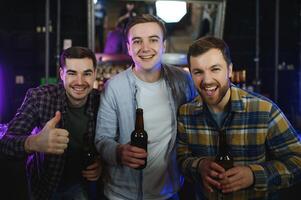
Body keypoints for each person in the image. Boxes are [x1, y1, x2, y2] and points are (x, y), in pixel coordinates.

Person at [177, 36, 301, 199]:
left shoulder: (264, 110)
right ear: (191, 74)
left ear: (229, 70)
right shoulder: (186, 113)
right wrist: (199, 166)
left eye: (215, 69)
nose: (207, 80)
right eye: (198, 72)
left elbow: (297, 161)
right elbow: (180, 159)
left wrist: (254, 175)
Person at [95, 14, 197, 200]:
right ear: (128, 48)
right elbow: (102, 139)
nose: (145, 48)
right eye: (137, 41)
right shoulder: (114, 87)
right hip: (122, 194)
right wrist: (118, 152)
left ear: (163, 45)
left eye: (153, 40)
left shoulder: (183, 81)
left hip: (170, 192)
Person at [0, 46, 103, 200]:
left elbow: (113, 142)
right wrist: (33, 142)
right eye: (72, 73)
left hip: (84, 186)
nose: (80, 82)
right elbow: (5, 144)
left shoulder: (102, 101)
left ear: (95, 74)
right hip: (44, 186)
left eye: (87, 73)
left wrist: (103, 163)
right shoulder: (40, 97)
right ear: (61, 74)